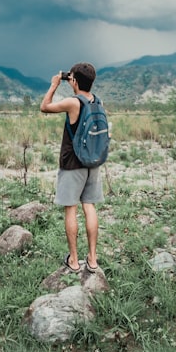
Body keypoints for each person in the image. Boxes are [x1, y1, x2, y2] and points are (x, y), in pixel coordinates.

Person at [40, 62, 103, 273]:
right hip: (93, 162)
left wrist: (54, 84)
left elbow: (44, 106)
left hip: (73, 163)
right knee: (90, 206)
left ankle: (74, 261)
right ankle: (92, 260)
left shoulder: (73, 102)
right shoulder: (98, 102)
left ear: (74, 80)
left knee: (71, 209)